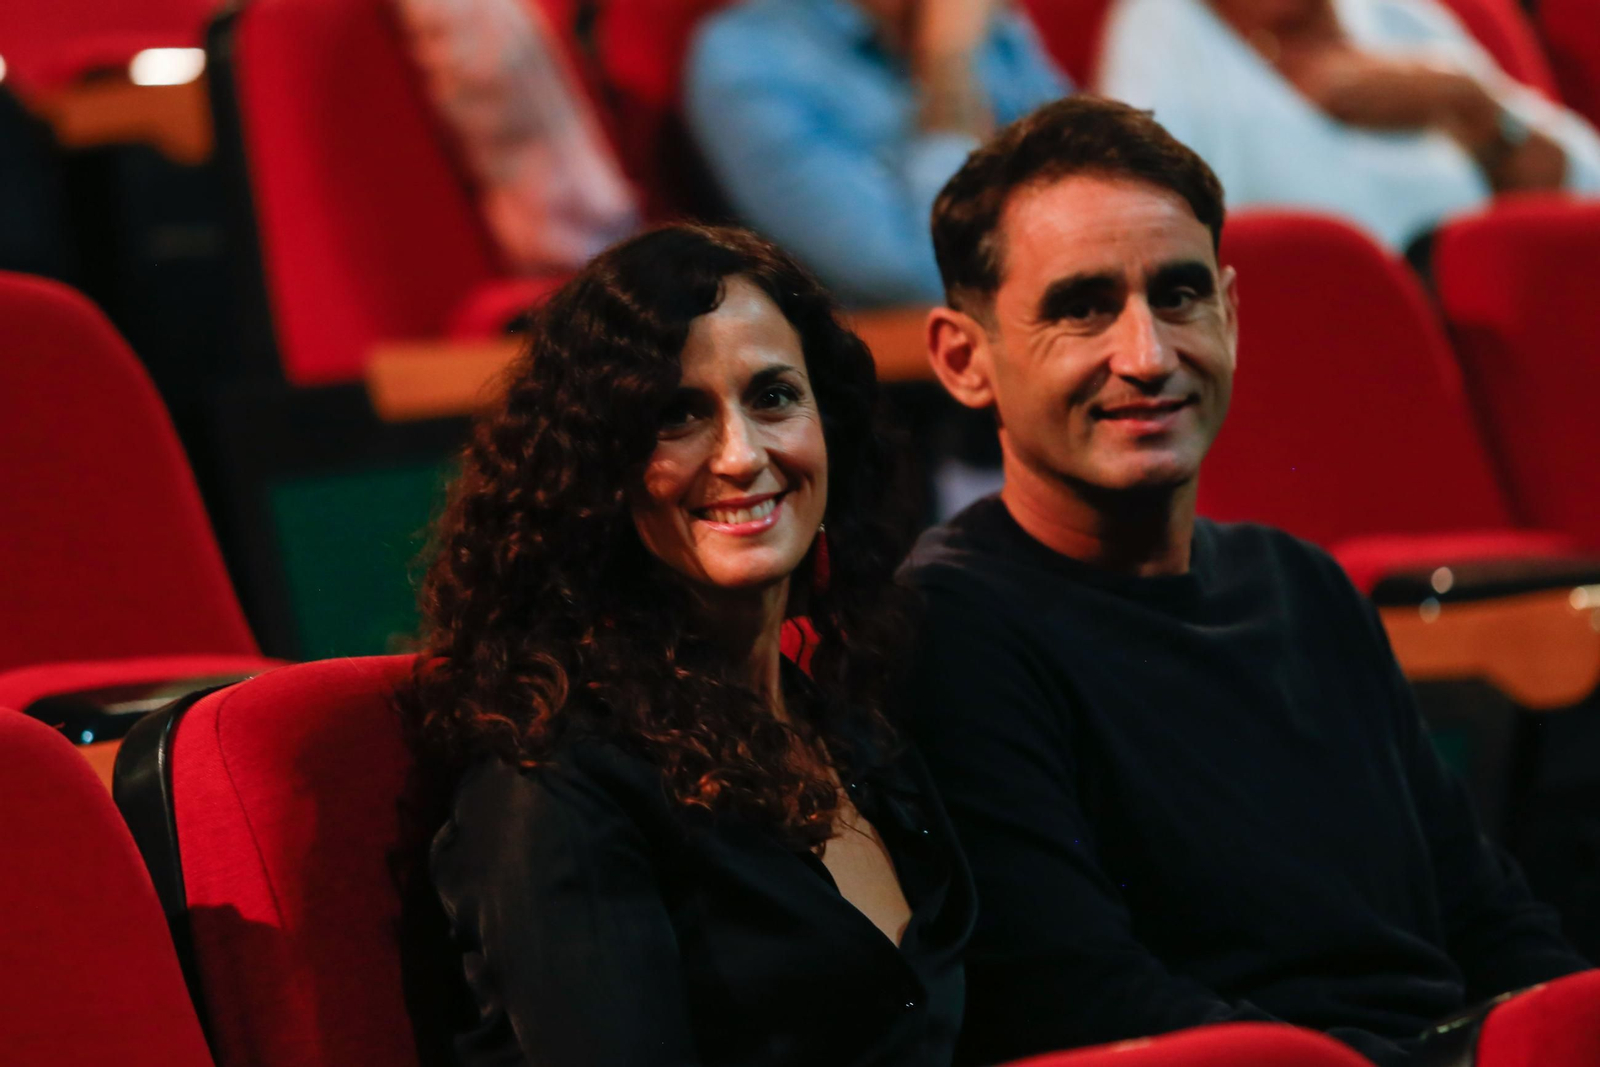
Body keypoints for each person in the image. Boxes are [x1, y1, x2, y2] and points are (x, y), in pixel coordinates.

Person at [903, 95, 1597, 1066]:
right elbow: (1077, 996)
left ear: (1228, 311)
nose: (1146, 355)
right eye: (1083, 307)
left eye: (1179, 295)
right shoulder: (947, 625)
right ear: (963, 357)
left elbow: (1487, 912)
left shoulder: (1300, 582)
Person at [396, 224, 976, 1067]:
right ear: (595, 468)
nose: (742, 455)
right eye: (677, 414)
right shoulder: (553, 789)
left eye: (774, 396)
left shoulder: (855, 729)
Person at [1096, 0, 1600, 252]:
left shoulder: (1393, 13)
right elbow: (1139, 233)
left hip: (1489, 352)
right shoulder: (1163, 31)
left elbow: (1586, 187)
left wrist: (1471, 105)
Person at [685, 0, 1068, 308]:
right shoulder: (749, 57)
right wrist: (947, 64)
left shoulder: (977, 17)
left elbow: (1093, 172)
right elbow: (923, 277)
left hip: (1057, 314)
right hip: (908, 380)